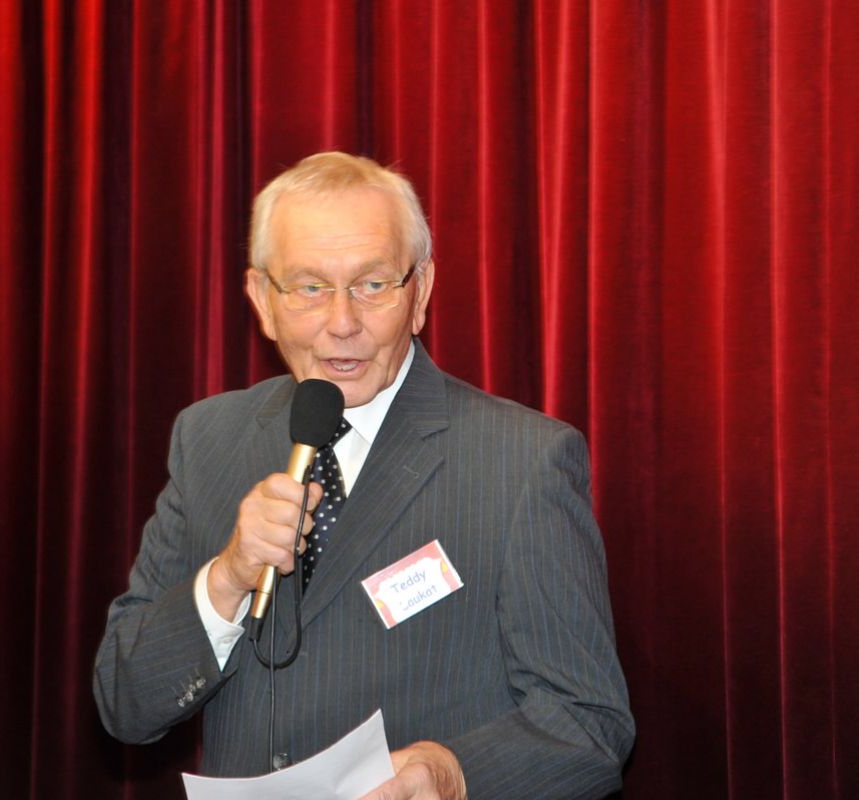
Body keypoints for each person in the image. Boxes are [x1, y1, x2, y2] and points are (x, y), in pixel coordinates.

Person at [94, 152, 634, 799]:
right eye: (309, 288)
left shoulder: (521, 461)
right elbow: (125, 702)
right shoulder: (208, 438)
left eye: (372, 284)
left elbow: (589, 725)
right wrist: (228, 577)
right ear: (262, 301)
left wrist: (453, 773)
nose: (342, 322)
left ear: (420, 293)